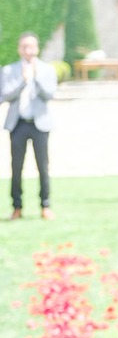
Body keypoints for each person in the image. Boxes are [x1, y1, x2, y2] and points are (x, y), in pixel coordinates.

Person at [1, 32, 57, 220]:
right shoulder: (9, 70)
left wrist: (36, 77)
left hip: (40, 124)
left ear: (37, 48)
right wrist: (23, 81)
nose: (28, 50)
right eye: (24, 47)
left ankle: (45, 205)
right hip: (18, 124)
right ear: (19, 49)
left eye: (31, 46)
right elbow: (5, 95)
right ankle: (17, 206)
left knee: (43, 165)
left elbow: (49, 94)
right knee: (16, 167)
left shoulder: (47, 70)